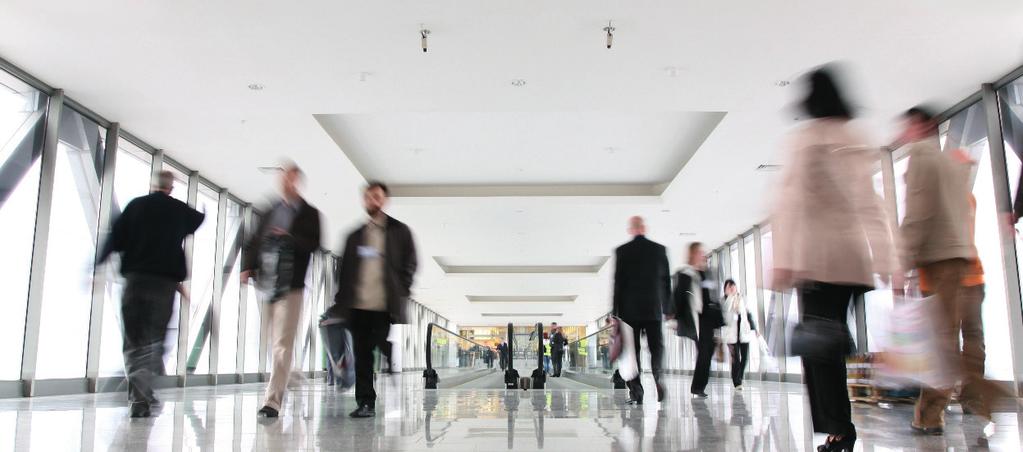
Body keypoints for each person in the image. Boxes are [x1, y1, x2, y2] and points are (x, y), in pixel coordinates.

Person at [770, 66, 895, 452]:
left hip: (816, 262)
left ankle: (839, 430)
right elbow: (870, 205)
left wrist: (782, 259)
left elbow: (790, 203)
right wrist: (887, 258)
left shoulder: (806, 141)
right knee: (829, 345)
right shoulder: (855, 139)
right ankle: (840, 428)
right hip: (851, 263)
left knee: (818, 353)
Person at [898, 107, 981, 436]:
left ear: (923, 127)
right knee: (953, 339)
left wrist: (903, 260)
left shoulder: (921, 155)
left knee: (939, 343)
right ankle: (945, 408)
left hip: (939, 263)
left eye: (908, 127)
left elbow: (918, 214)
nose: (904, 134)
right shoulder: (953, 164)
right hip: (962, 261)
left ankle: (930, 414)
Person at [98, 171, 205, 418]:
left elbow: (115, 238)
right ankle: (142, 392)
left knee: (134, 340)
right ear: (171, 187)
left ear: (152, 184)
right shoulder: (178, 210)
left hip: (135, 281)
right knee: (155, 341)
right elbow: (198, 219)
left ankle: (139, 395)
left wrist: (98, 266)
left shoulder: (135, 206)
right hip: (164, 285)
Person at [325, 181, 418, 419]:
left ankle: (388, 348)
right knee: (363, 355)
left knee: (376, 343)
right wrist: (341, 302)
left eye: (376, 197)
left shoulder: (400, 231)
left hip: (384, 305)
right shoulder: (355, 235)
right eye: (368, 197)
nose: (372, 201)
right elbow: (344, 271)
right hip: (358, 306)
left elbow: (411, 263)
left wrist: (402, 290)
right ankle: (366, 403)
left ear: (384, 200)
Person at [241, 163, 322, 419]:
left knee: (282, 345)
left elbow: (314, 244)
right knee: (270, 341)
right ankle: (290, 373)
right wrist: (247, 267)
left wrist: (288, 237)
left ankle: (272, 401)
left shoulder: (310, 214)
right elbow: (253, 239)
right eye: (283, 179)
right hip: (266, 284)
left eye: (291, 179)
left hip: (292, 285)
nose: (286, 183)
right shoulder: (269, 209)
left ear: (298, 181)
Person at [611, 216, 671, 404]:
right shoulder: (659, 250)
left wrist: (615, 312)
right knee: (656, 347)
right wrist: (668, 308)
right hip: (653, 307)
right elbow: (665, 282)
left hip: (630, 311)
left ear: (631, 230)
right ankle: (658, 375)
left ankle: (637, 392)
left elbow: (618, 284)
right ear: (644, 228)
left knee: (632, 354)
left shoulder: (622, 251)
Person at [670, 242, 721, 399]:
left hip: (709, 317)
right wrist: (674, 317)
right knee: (705, 350)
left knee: (707, 350)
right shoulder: (685, 273)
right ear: (692, 254)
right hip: (695, 318)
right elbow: (678, 296)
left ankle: (698, 386)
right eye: (700, 252)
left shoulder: (707, 273)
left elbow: (714, 296)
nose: (703, 255)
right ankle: (698, 387)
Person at [720, 279, 757, 390]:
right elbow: (725, 313)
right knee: (735, 358)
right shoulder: (723, 301)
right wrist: (730, 297)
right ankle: (737, 382)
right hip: (731, 334)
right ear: (725, 289)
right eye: (729, 287)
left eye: (733, 286)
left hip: (743, 332)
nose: (732, 289)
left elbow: (748, 314)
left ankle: (739, 377)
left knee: (745, 357)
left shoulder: (742, 298)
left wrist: (754, 329)